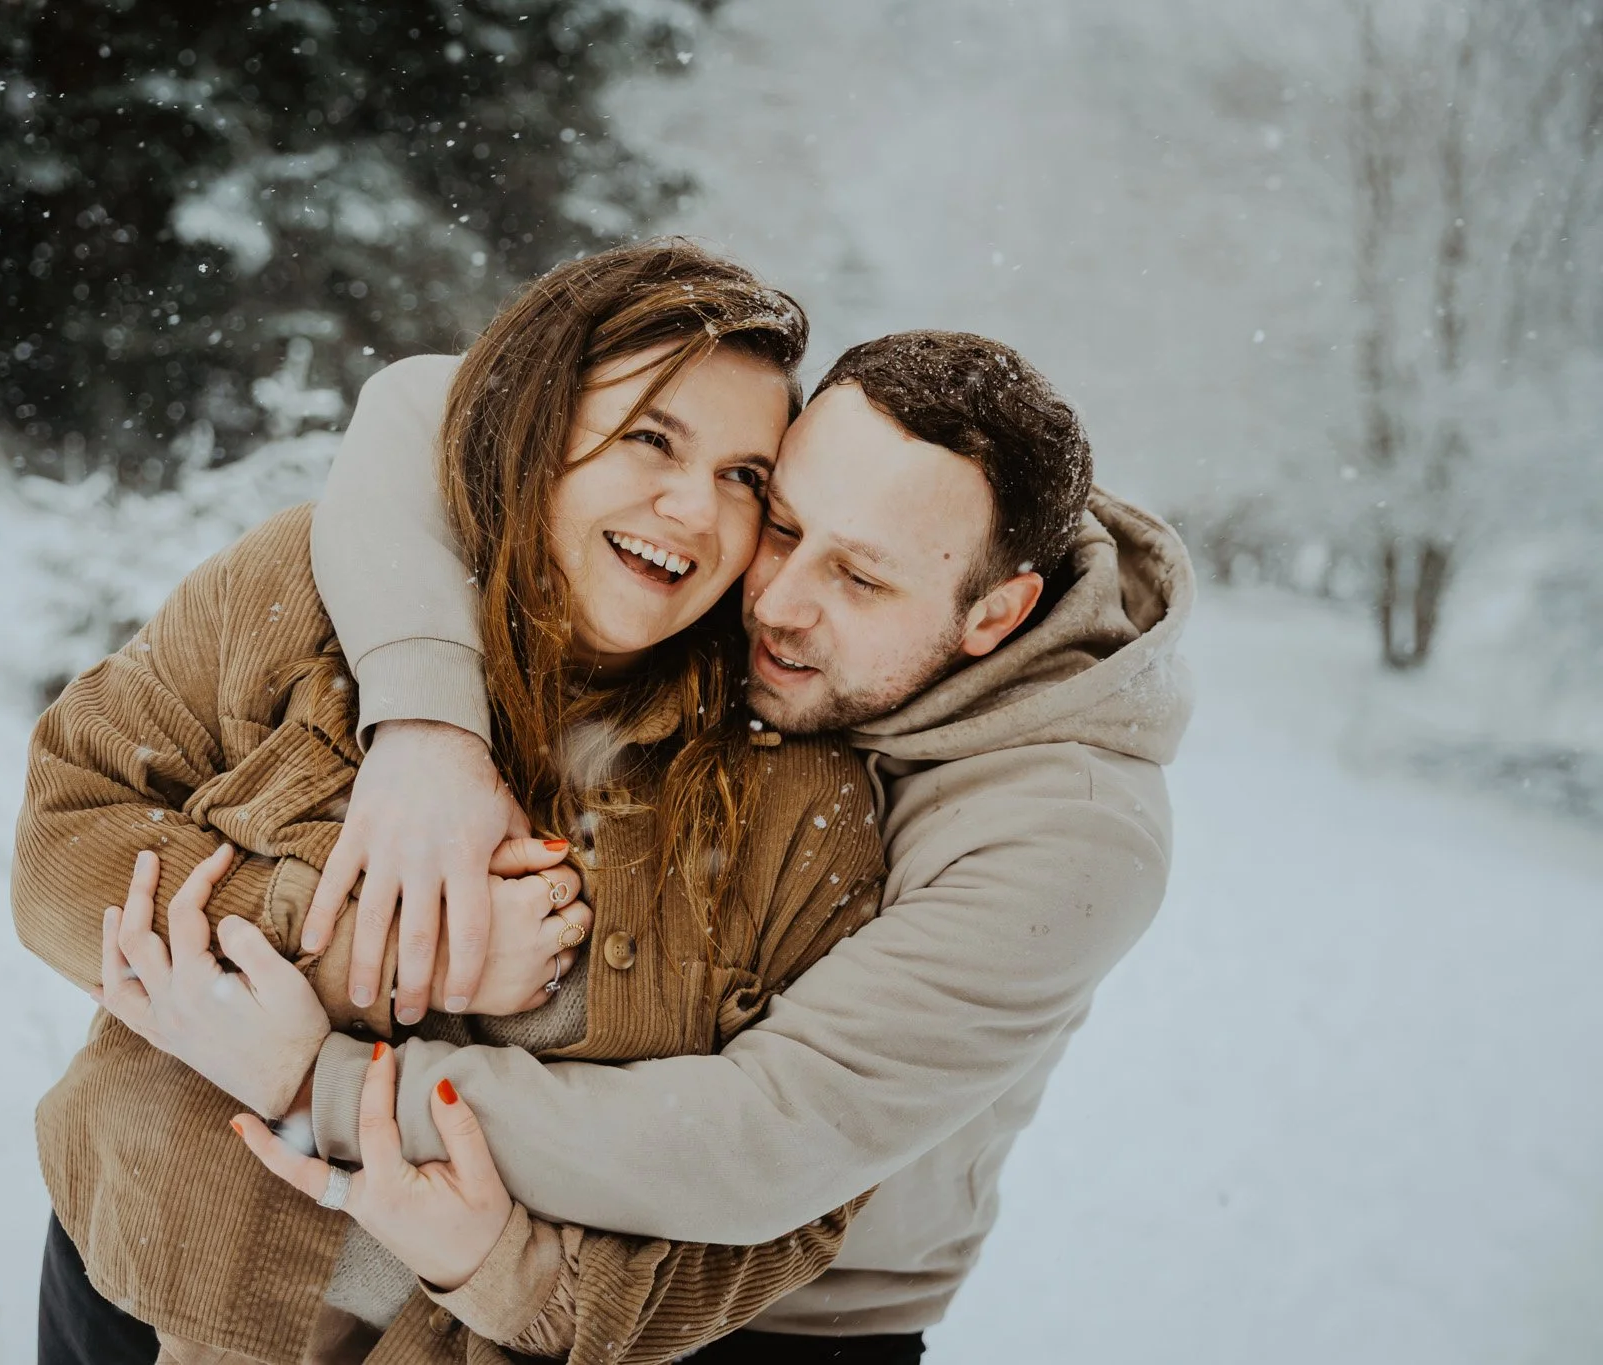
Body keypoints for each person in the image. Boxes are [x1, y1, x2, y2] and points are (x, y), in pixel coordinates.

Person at [215, 321, 1195, 1363]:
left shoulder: (1072, 831)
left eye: (858, 580)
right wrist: (425, 727)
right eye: (778, 526)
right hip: (473, 1235)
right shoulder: (801, 587)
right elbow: (426, 408)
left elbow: (756, 1143)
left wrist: (322, 1082)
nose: (772, 602)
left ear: (994, 614)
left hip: (779, 1323)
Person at [10, 240, 891, 1365]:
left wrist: (509, 1271)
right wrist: (369, 952)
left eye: (743, 478)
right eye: (649, 439)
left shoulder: (796, 792)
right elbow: (63, 838)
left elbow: (794, 1202)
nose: (689, 508)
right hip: (140, 1274)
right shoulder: (301, 590)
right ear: (538, 427)